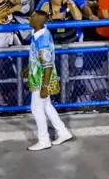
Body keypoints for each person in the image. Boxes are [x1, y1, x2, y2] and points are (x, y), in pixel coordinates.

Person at [22, 10, 73, 151]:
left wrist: (44, 86)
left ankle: (44, 140)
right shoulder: (40, 34)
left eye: (32, 18)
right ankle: (63, 132)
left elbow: (47, 64)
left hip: (41, 79)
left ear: (39, 21)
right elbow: (39, 58)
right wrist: (29, 66)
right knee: (46, 106)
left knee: (37, 108)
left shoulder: (42, 39)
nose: (29, 19)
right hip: (39, 76)